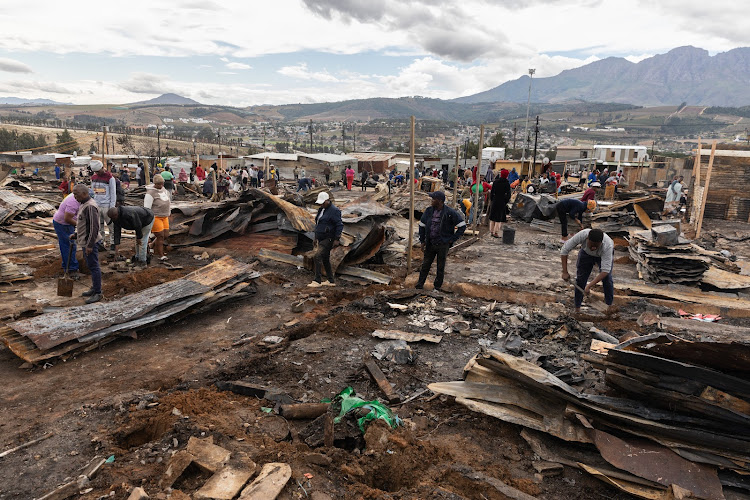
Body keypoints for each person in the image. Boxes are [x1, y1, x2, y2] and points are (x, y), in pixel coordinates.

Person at [415, 191, 466, 291]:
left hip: (443, 244)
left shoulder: (449, 212)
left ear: (440, 201)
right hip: (430, 243)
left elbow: (462, 226)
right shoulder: (429, 211)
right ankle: (419, 285)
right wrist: (422, 240)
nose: (432, 201)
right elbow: (422, 226)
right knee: (425, 265)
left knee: (440, 266)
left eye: (433, 199)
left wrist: (452, 239)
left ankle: (437, 287)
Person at [560, 228, 615, 314]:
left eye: (596, 246)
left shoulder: (607, 245)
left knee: (607, 279)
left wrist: (589, 286)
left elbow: (605, 271)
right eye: (591, 245)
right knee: (581, 279)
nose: (593, 248)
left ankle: (609, 307)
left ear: (601, 243)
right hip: (586, 254)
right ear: (587, 239)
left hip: (601, 256)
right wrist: (565, 271)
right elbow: (564, 250)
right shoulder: (582, 235)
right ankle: (577, 308)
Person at [70, 184, 102, 304]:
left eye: (76, 194)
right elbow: (85, 225)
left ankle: (98, 292)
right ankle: (94, 288)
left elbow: (94, 227)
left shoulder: (90, 207)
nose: (74, 197)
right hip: (85, 241)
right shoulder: (83, 204)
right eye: (73, 194)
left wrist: (90, 245)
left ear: (84, 193)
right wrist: (77, 235)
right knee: (91, 265)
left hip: (90, 242)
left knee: (94, 266)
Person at [308, 192, 343, 288]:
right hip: (320, 237)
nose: (321, 204)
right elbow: (318, 224)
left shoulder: (334, 211)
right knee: (325, 258)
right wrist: (315, 237)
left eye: (323, 203)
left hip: (329, 238)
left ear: (328, 200)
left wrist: (337, 238)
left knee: (317, 255)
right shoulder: (321, 209)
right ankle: (331, 280)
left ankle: (317, 280)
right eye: (320, 203)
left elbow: (339, 225)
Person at [89, 160, 117, 252]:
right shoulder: (93, 178)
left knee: (111, 226)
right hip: (97, 205)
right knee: (99, 226)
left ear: (102, 168)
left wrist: (112, 207)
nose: (97, 173)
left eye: (98, 171)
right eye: (96, 172)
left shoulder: (110, 178)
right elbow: (93, 192)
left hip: (107, 206)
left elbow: (113, 193)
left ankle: (113, 243)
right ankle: (101, 242)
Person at [52, 192, 81, 280]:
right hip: (63, 224)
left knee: (67, 245)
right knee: (69, 245)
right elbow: (67, 219)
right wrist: (80, 226)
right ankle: (71, 269)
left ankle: (67, 266)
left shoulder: (76, 196)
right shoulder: (73, 202)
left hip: (64, 223)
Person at [145, 174, 171, 260]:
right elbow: (147, 208)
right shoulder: (150, 193)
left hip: (165, 216)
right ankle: (161, 255)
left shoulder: (164, 190)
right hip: (156, 216)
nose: (161, 186)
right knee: (160, 236)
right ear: (155, 184)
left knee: (166, 235)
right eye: (159, 184)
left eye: (162, 184)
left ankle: (152, 245)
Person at [489, 169, 512, 238]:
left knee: (493, 216)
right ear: (507, 175)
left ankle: (491, 231)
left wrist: (492, 199)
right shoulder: (507, 183)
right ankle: (495, 232)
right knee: (499, 217)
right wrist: (505, 201)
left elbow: (492, 192)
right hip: (501, 201)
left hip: (495, 200)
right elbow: (508, 195)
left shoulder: (495, 182)